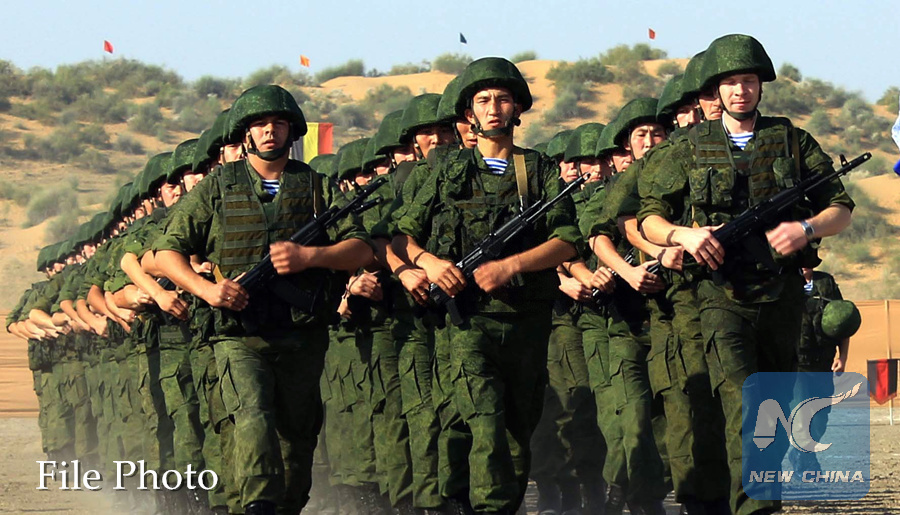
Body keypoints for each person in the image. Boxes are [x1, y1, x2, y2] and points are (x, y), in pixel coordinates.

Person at [639, 34, 854, 515]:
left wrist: (806, 228)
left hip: (781, 296)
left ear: (761, 85)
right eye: (731, 82)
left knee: (771, 406)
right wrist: (682, 235)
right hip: (719, 295)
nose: (741, 91)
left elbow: (840, 209)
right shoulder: (688, 147)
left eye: (750, 81)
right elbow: (649, 216)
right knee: (746, 402)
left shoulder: (793, 141)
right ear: (716, 89)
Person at [154, 84, 373, 515]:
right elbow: (165, 253)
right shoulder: (218, 187)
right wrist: (208, 290)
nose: (270, 131)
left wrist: (311, 257)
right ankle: (257, 506)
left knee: (297, 437)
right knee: (251, 415)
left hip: (301, 333)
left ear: (292, 131)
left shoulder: (316, 186)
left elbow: (362, 249)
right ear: (246, 134)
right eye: (259, 124)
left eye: (278, 123)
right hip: (238, 334)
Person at [393, 57, 582, 514]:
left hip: (525, 321)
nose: (493, 108)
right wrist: (428, 264)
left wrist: (510, 266)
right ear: (469, 113)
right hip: (467, 323)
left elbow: (567, 240)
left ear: (517, 108)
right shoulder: (443, 170)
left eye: (502, 99)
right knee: (485, 421)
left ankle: (475, 502)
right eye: (483, 100)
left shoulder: (537, 170)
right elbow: (401, 236)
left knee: (516, 428)